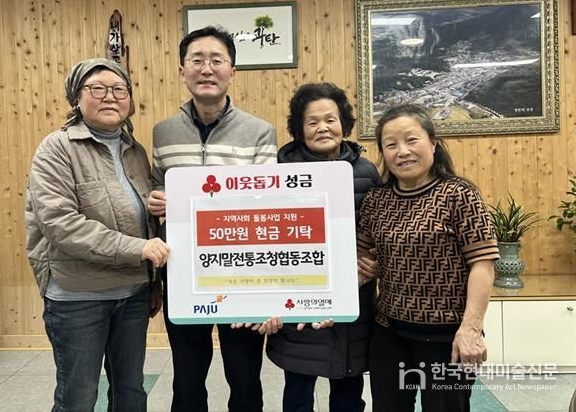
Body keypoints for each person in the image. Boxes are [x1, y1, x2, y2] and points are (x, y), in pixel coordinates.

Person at [25, 58, 170, 412]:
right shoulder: (57, 148)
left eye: (119, 89)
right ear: (77, 98)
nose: (110, 97)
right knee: (78, 396)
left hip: (133, 295)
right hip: (78, 297)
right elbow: (61, 224)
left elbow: (145, 223)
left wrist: (153, 282)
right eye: (97, 89)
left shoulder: (135, 151)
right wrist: (138, 249)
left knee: (130, 392)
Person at [148, 26, 278, 412]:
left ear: (232, 71)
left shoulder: (259, 131)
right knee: (187, 377)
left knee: (244, 375)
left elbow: (267, 203)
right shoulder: (163, 132)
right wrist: (155, 200)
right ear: (182, 71)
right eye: (197, 60)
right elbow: (156, 187)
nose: (207, 69)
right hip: (183, 270)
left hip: (243, 270)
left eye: (217, 60)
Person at [357, 104, 500, 412]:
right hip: (389, 333)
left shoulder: (459, 194)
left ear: (433, 142)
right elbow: (359, 257)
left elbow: (483, 263)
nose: (402, 151)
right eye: (391, 144)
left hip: (446, 337)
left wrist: (471, 329)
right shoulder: (376, 200)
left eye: (412, 140)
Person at [265, 83, 381, 412]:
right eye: (312, 122)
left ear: (344, 123)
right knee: (298, 388)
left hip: (353, 298)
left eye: (330, 119)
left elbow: (378, 230)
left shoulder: (366, 171)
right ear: (299, 129)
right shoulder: (279, 173)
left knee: (349, 389)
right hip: (297, 299)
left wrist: (373, 262)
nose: (322, 128)